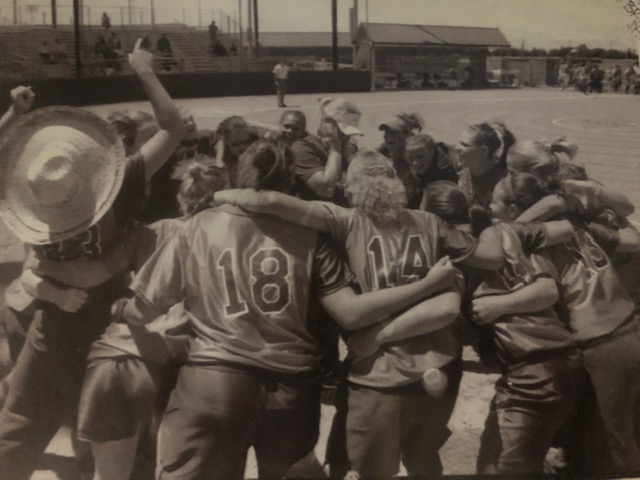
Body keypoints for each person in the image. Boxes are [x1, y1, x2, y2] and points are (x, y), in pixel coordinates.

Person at [117, 139, 465, 479]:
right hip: (290, 389)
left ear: (240, 179)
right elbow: (350, 312)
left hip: (214, 381)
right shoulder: (312, 237)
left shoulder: (197, 226)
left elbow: (145, 310)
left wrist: (121, 310)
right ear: (289, 185)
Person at [213, 149, 507, 478]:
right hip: (440, 367)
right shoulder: (431, 222)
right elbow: (492, 257)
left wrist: (217, 194)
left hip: (378, 372)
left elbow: (266, 201)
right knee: (425, 462)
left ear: (351, 187)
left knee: (370, 470)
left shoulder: (344, 219)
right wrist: (488, 223)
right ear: (396, 184)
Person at [0, 38, 185, 480]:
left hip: (52, 317)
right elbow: (173, 128)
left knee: (21, 422)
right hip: (115, 317)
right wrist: (143, 71)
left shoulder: (35, 201)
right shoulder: (122, 183)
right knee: (117, 423)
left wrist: (13, 117)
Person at [78, 154, 227, 480]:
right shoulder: (224, 241)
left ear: (180, 196)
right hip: (178, 366)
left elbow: (94, 275)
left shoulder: (151, 232)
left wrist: (41, 274)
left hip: (116, 359)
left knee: (110, 476)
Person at [502, 142, 640, 476]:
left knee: (613, 445)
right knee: (602, 435)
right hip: (626, 328)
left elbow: (506, 233)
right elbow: (632, 238)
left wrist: (557, 200)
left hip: (601, 342)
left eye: (511, 171)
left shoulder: (547, 226)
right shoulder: (580, 222)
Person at [292, 97, 361, 206]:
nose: (345, 136)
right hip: (317, 218)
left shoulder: (350, 147)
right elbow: (326, 189)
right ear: (324, 123)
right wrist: (335, 150)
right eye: (341, 132)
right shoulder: (303, 148)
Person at [454, 121, 516, 208]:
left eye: (464, 145)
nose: (456, 148)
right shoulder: (460, 169)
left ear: (483, 151)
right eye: (458, 143)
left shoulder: (505, 185)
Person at [401, 133, 458, 209]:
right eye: (411, 158)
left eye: (420, 157)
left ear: (432, 152)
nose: (415, 163)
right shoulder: (410, 167)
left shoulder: (444, 172)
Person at [377, 112, 424, 177]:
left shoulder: (416, 158)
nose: (388, 136)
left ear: (408, 135)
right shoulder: (382, 152)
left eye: (394, 132)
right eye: (386, 132)